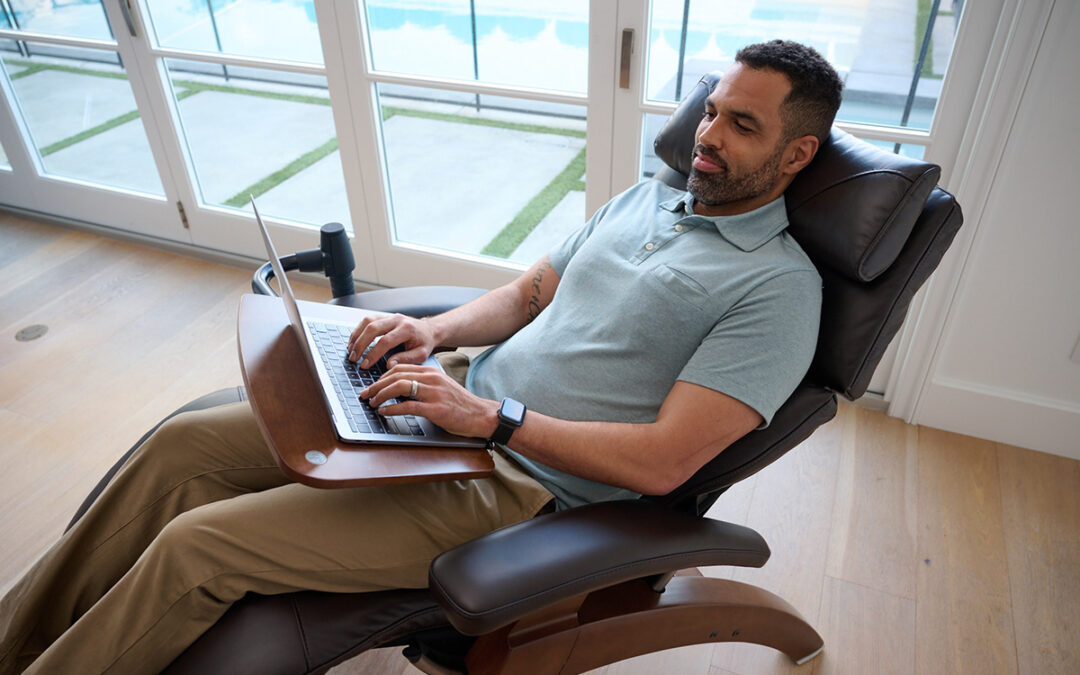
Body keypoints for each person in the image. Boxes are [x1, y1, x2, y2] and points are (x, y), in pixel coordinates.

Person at [0, 39, 842, 674]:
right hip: (447, 407)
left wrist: (493, 420)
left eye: (742, 124)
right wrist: (435, 336)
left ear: (795, 154)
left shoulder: (777, 289)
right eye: (710, 109)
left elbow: (663, 464)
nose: (708, 134)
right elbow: (527, 296)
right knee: (177, 448)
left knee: (199, 547)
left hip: (513, 488)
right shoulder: (646, 198)